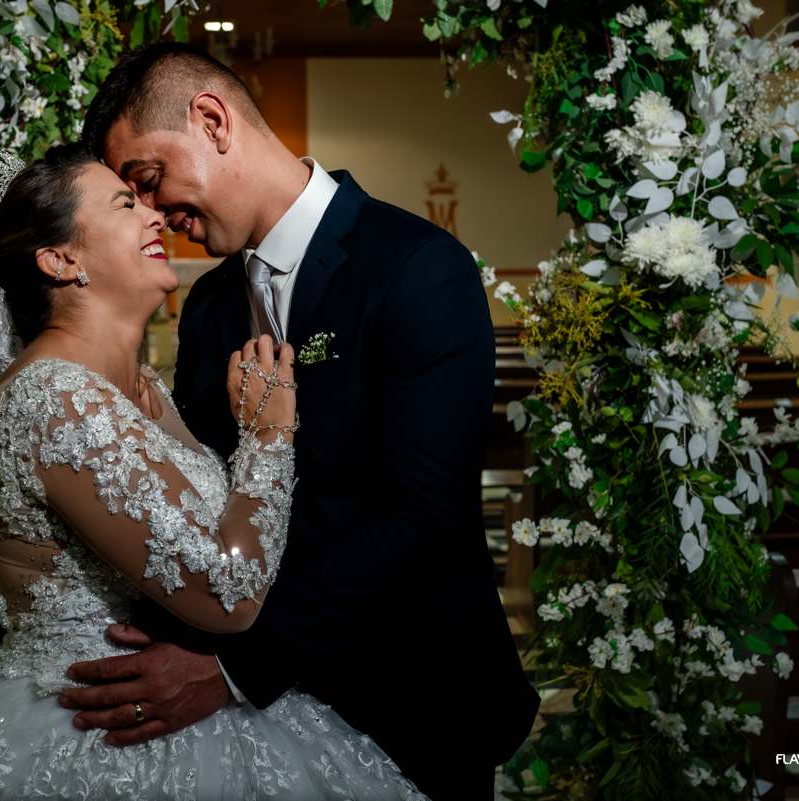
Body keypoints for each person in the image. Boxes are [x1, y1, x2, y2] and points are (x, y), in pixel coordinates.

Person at [52, 42, 541, 799]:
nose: (152, 214)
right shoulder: (211, 305)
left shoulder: (415, 265)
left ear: (212, 120)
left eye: (148, 180)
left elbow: (421, 519)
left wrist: (233, 670)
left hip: (413, 694)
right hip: (277, 724)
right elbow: (203, 495)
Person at [0, 143, 426, 800]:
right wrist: (267, 432)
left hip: (200, 700)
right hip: (101, 737)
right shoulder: (55, 400)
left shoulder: (137, 384)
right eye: (125, 203)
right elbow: (228, 590)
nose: (154, 215)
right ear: (60, 259)